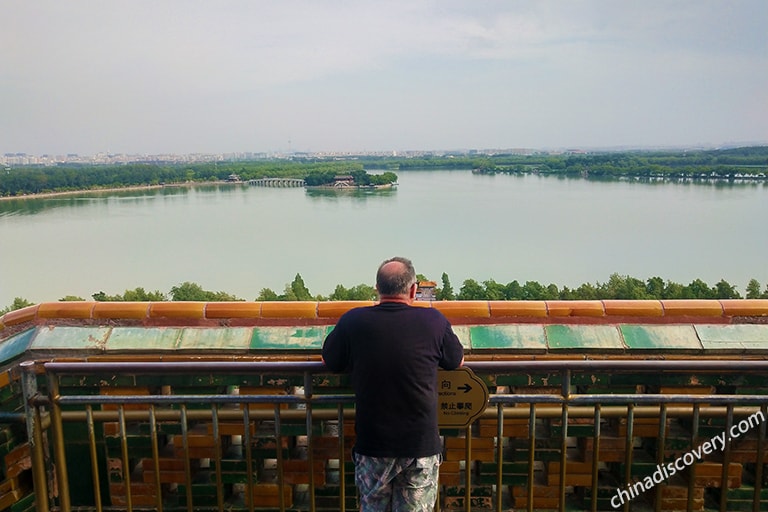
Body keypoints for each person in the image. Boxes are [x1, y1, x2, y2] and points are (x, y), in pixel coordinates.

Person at [322, 256, 465, 512]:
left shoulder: (353, 321)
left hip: (373, 444)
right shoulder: (434, 321)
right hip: (419, 445)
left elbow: (330, 361)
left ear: (377, 288)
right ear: (413, 290)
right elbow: (456, 361)